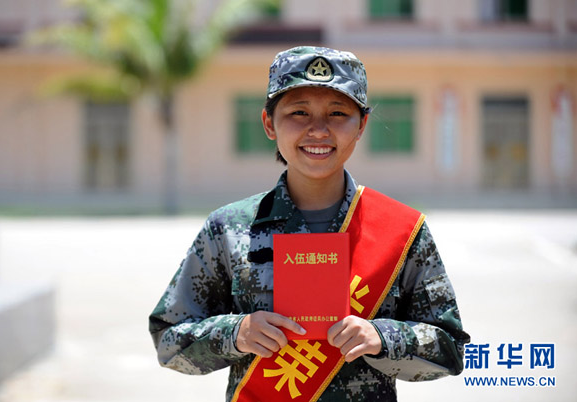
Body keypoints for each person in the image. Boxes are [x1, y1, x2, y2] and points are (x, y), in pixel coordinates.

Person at [149, 46, 470, 401]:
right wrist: (236, 332)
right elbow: (169, 339)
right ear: (269, 123)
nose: (318, 130)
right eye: (299, 112)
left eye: (337, 113)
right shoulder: (228, 229)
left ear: (361, 125)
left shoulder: (402, 231)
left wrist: (383, 339)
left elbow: (451, 347)